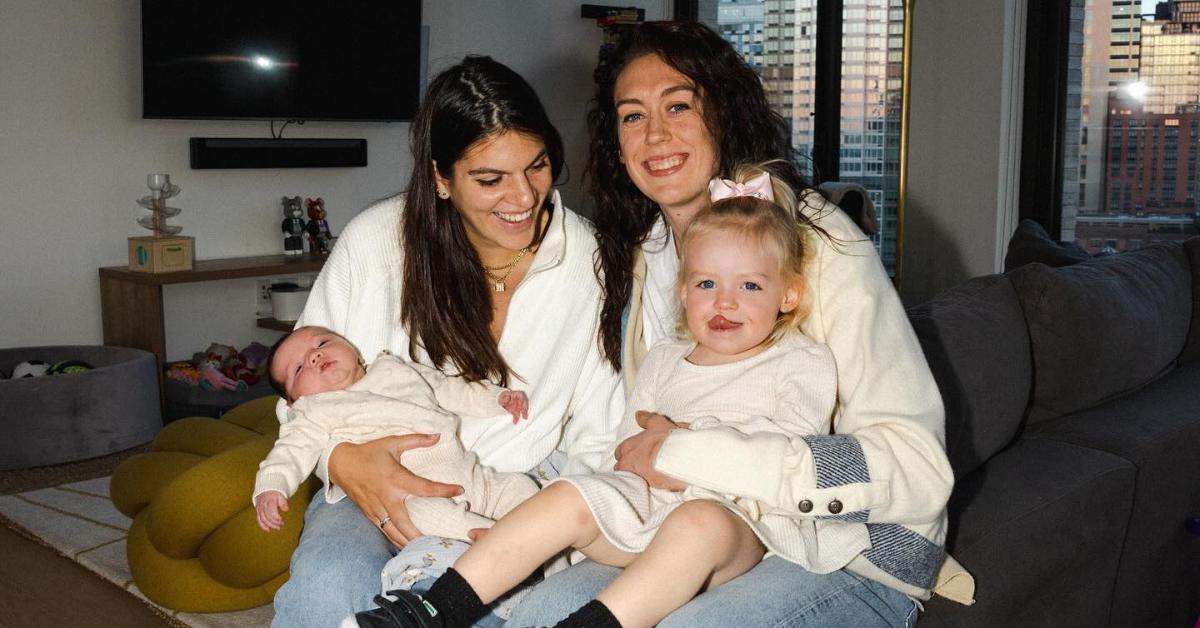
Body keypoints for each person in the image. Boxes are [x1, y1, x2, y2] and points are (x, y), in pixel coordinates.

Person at [507, 21, 960, 628]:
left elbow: (916, 465)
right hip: (693, 528)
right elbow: (642, 438)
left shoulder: (822, 243)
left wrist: (694, 453)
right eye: (633, 116)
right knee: (536, 610)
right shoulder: (643, 256)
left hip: (845, 550)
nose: (656, 133)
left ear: (724, 115)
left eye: (679, 106)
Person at [355, 166, 849, 628]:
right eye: (705, 283)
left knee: (700, 522)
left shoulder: (801, 360)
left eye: (749, 285)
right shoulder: (665, 358)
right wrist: (646, 455)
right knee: (568, 493)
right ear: (683, 293)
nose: (724, 301)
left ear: (787, 295)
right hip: (646, 508)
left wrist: (682, 445)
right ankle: (428, 611)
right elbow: (629, 448)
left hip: (742, 523)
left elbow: (792, 453)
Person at [269, 55, 624, 628]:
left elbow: (600, 424)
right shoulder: (375, 240)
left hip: (519, 490)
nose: (523, 197)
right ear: (440, 177)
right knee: (330, 583)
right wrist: (340, 460)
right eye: (490, 180)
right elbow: (301, 392)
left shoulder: (591, 260)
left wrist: (564, 527)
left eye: (537, 167)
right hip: (373, 481)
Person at [252, 325, 536, 544]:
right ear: (292, 401)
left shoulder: (394, 367)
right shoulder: (312, 411)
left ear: (353, 348)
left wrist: (497, 399)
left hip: (474, 477)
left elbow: (451, 389)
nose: (315, 356)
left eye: (323, 343)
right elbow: (289, 450)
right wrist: (271, 485)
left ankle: (549, 558)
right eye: (299, 368)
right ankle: (501, 544)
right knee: (422, 517)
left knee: (521, 488)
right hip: (410, 495)